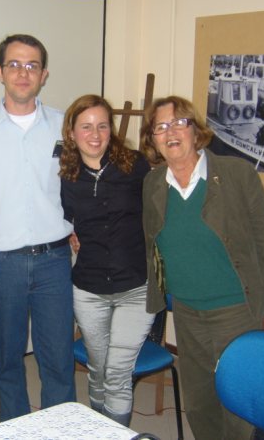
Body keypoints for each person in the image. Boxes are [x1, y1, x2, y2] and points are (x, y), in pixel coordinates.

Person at [140, 95, 264, 440]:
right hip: (187, 310)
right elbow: (150, 242)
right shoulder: (153, 183)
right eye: (161, 127)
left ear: (196, 131)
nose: (171, 132)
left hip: (236, 310)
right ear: (153, 139)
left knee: (238, 402)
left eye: (179, 123)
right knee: (199, 399)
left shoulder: (236, 174)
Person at [0, 34, 75, 421]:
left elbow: (85, 181)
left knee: (58, 361)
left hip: (54, 262)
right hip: (0, 264)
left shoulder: (65, 126)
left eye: (32, 65)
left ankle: (59, 430)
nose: (23, 73)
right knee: (9, 363)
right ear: (0, 72)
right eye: (14, 64)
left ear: (44, 74)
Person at [59, 94, 156, 427]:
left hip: (136, 289)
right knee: (98, 369)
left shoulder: (135, 165)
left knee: (117, 373)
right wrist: (69, 235)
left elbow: (158, 212)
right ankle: (99, 428)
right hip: (89, 290)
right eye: (86, 126)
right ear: (71, 133)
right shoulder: (66, 176)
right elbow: (61, 218)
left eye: (102, 126)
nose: (95, 134)